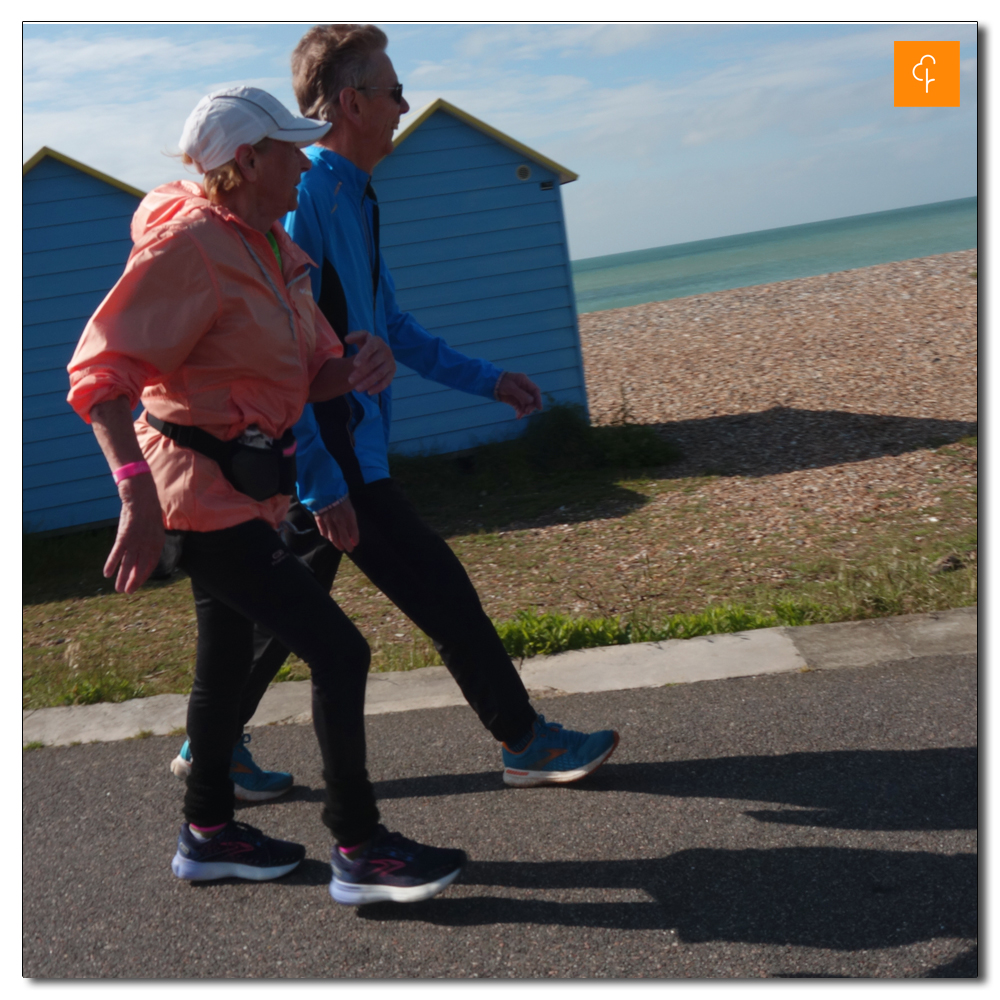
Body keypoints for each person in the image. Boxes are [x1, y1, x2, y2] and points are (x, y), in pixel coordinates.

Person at [166, 23, 619, 794]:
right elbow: (287, 347)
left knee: (286, 614)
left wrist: (489, 380)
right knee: (441, 593)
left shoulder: (354, 196)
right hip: (334, 452)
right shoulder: (307, 198)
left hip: (342, 452)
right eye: (394, 90)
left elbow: (388, 326)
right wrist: (320, 471)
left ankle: (210, 751)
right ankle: (521, 740)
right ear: (353, 102)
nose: (406, 104)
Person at [68, 85, 465, 905]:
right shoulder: (189, 248)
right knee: (340, 650)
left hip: (249, 491)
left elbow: (316, 367)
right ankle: (360, 849)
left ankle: (208, 832)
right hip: (194, 497)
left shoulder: (269, 245)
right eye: (287, 147)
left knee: (223, 662)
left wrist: (359, 362)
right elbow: (100, 377)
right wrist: (134, 499)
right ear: (246, 162)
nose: (301, 160)